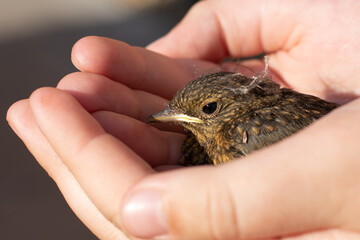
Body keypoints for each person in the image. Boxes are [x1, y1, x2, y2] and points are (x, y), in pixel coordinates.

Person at [7, 0, 360, 239]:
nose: (174, 119)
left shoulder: (246, 134)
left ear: (235, 110)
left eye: (207, 110)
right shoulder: (223, 132)